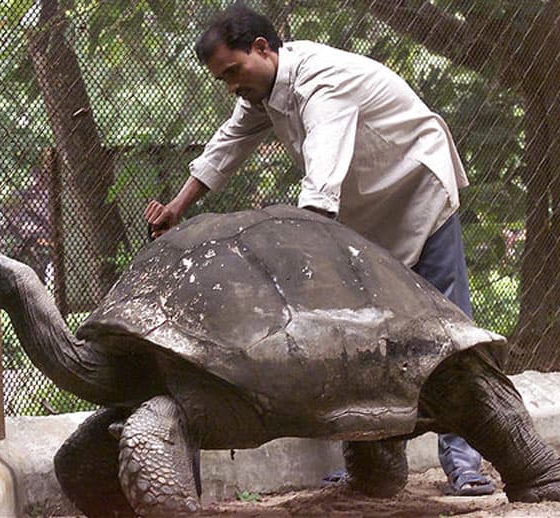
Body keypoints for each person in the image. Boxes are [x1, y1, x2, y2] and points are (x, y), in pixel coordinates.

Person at [144, 4, 495, 497]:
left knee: (450, 335)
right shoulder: (263, 92)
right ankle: (371, 465)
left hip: (417, 193)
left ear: (262, 48)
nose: (231, 86)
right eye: (222, 79)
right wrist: (176, 208)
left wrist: (300, 260)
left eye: (233, 72)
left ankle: (465, 463)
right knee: (366, 335)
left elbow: (321, 180)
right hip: (365, 216)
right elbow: (227, 145)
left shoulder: (321, 82)